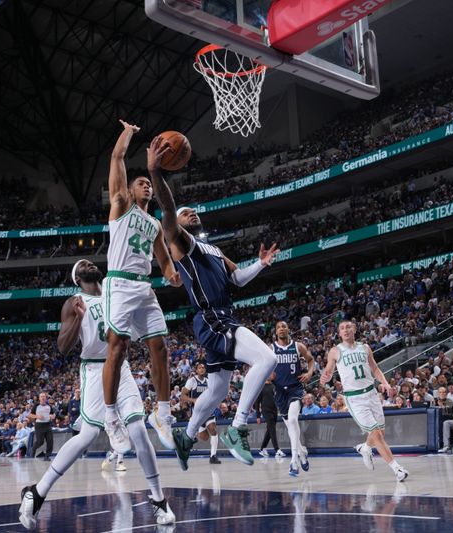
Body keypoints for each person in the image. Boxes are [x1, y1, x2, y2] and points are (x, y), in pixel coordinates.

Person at [146, 135, 278, 469]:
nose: (189, 213)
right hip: (212, 319)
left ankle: (186, 436)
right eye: (184, 212)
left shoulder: (216, 251)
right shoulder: (183, 244)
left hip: (221, 317)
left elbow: (236, 279)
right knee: (266, 358)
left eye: (193, 211)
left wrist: (260, 265)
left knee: (218, 391)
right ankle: (238, 428)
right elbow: (168, 208)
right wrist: (156, 172)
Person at [18, 259, 175, 530]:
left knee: (137, 428)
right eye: (83, 265)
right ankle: (38, 491)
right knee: (88, 435)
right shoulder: (73, 302)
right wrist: (78, 319)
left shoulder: (116, 292)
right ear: (77, 278)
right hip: (93, 370)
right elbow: (63, 347)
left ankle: (159, 500)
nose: (89, 264)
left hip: (121, 367)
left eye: (90, 262)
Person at [102, 120, 183, 454]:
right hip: (119, 283)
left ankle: (162, 413)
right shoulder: (121, 206)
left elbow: (163, 258)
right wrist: (128, 133)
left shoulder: (153, 224)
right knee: (117, 348)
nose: (147, 186)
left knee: (160, 346)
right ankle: (110, 417)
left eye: (149, 184)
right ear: (131, 190)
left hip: (144, 287)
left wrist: (171, 273)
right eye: (141, 183)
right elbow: (117, 160)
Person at [321, 320, 408, 481]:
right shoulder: (335, 351)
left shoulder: (365, 348)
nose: (345, 330)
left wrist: (385, 383)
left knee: (380, 433)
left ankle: (365, 447)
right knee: (376, 434)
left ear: (354, 329)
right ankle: (397, 469)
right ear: (339, 333)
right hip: (354, 398)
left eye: (348, 327)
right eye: (342, 328)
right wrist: (324, 376)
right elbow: (329, 370)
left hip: (372, 394)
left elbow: (374, 368)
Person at [271, 320, 313, 476]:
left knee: (293, 420)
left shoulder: (298, 346)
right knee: (291, 428)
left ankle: (293, 461)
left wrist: (309, 373)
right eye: (278, 327)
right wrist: (268, 375)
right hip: (279, 391)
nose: (281, 328)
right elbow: (260, 365)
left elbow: (310, 360)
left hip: (295, 389)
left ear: (288, 329)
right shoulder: (271, 349)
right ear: (276, 332)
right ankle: (302, 453)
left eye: (284, 326)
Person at [181, 361, 221, 464]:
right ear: (196, 370)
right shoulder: (192, 381)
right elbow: (183, 396)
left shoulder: (208, 381)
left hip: (208, 411)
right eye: (200, 368)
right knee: (205, 437)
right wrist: (193, 400)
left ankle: (213, 456)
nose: (202, 369)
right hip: (197, 413)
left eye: (203, 367)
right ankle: (194, 433)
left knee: (213, 430)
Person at [253, 374, 283, 461]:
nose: (273, 375)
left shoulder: (274, 385)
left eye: (273, 374)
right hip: (266, 410)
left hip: (275, 410)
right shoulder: (261, 387)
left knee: (270, 430)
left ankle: (262, 449)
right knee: (272, 429)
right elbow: (257, 403)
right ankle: (277, 449)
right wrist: (258, 416)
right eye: (270, 374)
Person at [28, 393, 54, 461]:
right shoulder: (36, 406)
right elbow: (30, 415)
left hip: (47, 424)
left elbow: (52, 414)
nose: (43, 398)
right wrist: (37, 416)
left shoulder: (49, 406)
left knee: (50, 441)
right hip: (39, 425)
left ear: (46, 398)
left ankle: (47, 456)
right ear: (39, 398)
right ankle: (33, 449)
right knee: (40, 442)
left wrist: (52, 416)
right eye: (41, 397)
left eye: (44, 397)